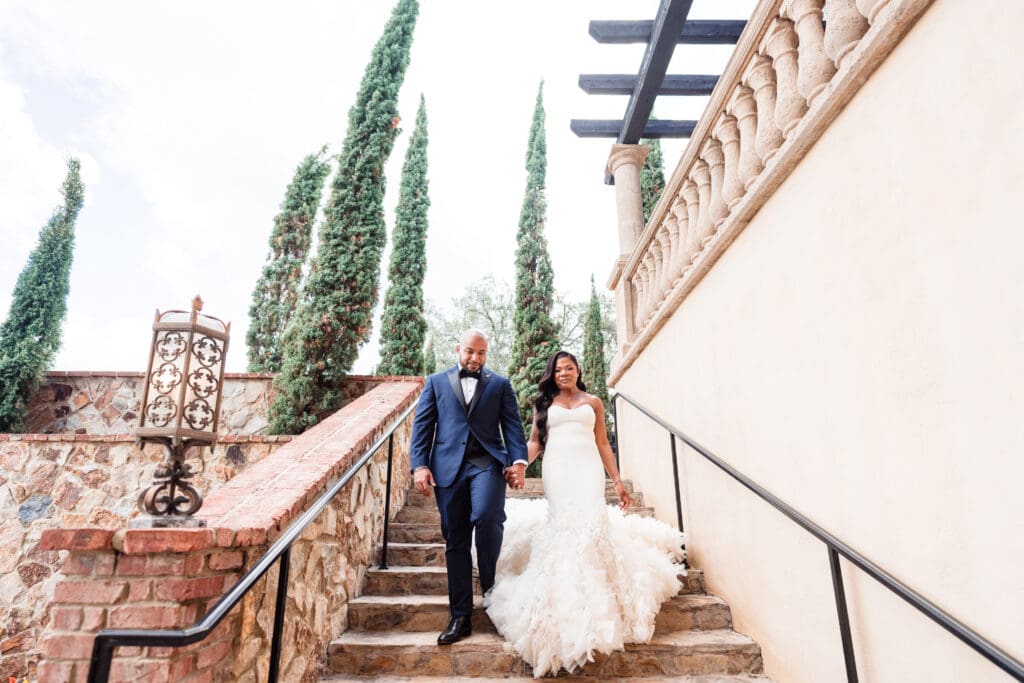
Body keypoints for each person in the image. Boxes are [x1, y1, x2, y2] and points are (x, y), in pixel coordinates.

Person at [485, 350, 685, 677]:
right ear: (552, 374)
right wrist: (518, 465)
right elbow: (534, 442)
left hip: (588, 469)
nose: (564, 373)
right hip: (558, 470)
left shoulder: (593, 402)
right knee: (564, 527)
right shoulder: (544, 406)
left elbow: (604, 443)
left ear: (578, 371)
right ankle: (564, 602)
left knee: (591, 526)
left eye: (569, 367)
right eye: (559, 369)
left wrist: (618, 482)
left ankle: (599, 601)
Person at [409, 329, 529, 645]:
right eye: (470, 352)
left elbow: (513, 428)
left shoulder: (500, 385)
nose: (475, 358)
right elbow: (422, 428)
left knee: (488, 517)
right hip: (447, 469)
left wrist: (518, 461)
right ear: (458, 349)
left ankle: (491, 591)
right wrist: (419, 466)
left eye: (481, 353)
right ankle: (460, 616)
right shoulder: (435, 383)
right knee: (456, 539)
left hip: (487, 464)